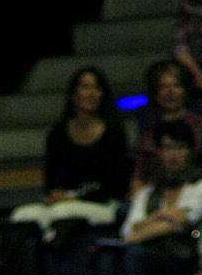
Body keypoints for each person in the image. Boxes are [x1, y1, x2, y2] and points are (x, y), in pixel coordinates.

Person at [100, 119, 202, 275]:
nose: (173, 155)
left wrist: (141, 230)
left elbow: (179, 223)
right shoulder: (146, 193)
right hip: (155, 260)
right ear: (159, 153)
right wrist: (163, 215)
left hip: (190, 261)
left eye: (179, 147)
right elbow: (129, 229)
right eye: (167, 148)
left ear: (190, 151)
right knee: (107, 258)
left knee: (134, 254)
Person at [11, 66, 130, 242]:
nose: (91, 93)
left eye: (96, 88)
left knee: (62, 213)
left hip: (101, 202)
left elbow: (114, 185)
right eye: (85, 87)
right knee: (22, 215)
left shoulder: (114, 133)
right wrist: (55, 194)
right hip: (64, 201)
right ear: (73, 95)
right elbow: (51, 178)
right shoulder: (58, 133)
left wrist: (74, 198)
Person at [131, 61, 202, 191]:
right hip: (152, 190)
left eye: (176, 85)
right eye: (164, 87)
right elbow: (139, 171)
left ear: (185, 90)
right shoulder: (148, 126)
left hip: (190, 188)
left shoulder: (201, 124)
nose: (170, 92)